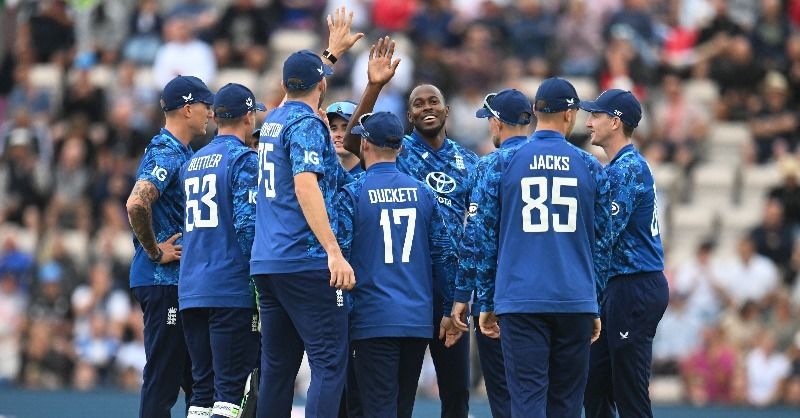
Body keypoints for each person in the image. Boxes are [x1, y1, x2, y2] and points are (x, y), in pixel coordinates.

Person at [344, 37, 477, 418]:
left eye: (433, 101)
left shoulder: (470, 161)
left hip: (452, 290)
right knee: (399, 395)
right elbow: (357, 141)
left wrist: (463, 296)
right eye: (418, 103)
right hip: (411, 286)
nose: (427, 107)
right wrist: (374, 86)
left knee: (456, 393)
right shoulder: (399, 152)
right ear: (409, 115)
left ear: (447, 109)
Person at [472, 78, 610, 418]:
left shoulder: (502, 163)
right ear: (571, 114)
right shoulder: (590, 165)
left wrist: (487, 301)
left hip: (520, 299)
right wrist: (594, 301)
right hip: (574, 298)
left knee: (527, 403)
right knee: (565, 405)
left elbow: (484, 238)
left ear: (535, 111)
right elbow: (603, 243)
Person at [249, 8, 363, 417]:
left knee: (278, 368)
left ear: (283, 85)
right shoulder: (309, 124)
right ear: (322, 87)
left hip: (268, 262)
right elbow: (305, 185)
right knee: (329, 363)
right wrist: (333, 250)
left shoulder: (275, 117)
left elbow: (298, 88)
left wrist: (329, 54)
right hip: (305, 260)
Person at [333, 110, 455, 417]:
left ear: (364, 145)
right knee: (401, 409)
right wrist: (448, 309)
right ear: (400, 148)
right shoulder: (424, 192)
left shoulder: (353, 192)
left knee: (374, 408)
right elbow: (444, 255)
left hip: (371, 318)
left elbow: (339, 257)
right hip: (415, 321)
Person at [125, 75, 214, 418]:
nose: (210, 113)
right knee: (163, 377)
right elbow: (136, 203)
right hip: (162, 281)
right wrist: (154, 250)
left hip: (178, 282)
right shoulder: (167, 152)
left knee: (195, 378)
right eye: (205, 106)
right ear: (188, 108)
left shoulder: (183, 152)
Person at [580, 89, 669, 418]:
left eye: (595, 115)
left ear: (615, 122)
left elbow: (604, 234)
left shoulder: (627, 169)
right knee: (594, 386)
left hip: (634, 286)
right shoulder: (618, 168)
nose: (588, 123)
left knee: (629, 391)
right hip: (621, 286)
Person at [178, 83, 264, 418]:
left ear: (215, 118)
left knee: (201, 393)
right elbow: (247, 228)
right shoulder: (245, 161)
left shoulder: (193, 162)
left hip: (192, 289)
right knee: (229, 394)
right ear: (249, 116)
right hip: (229, 288)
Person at [451, 88, 535, 418]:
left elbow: (476, 237)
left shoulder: (490, 165)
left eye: (490, 121)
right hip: (554, 294)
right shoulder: (559, 161)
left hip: (504, 296)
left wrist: (466, 294)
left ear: (498, 123)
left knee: (504, 394)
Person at [326, 100, 364, 176]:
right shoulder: (324, 174)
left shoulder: (371, 173)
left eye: (346, 128)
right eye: (333, 128)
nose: (338, 134)